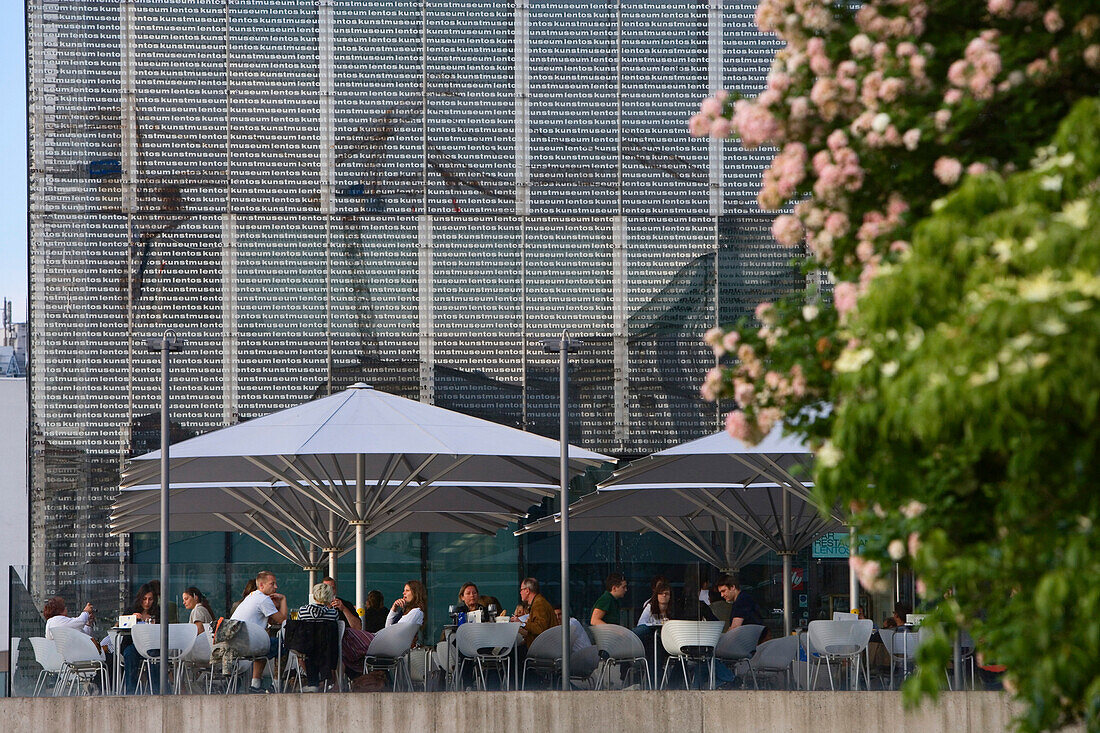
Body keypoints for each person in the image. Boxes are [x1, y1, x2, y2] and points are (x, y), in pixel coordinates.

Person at [230, 570, 288, 693]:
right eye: (272, 584)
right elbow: (282, 620)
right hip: (249, 644)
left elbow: (271, 621)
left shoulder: (251, 597)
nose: (276, 587)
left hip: (237, 643)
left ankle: (255, 685)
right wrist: (283, 600)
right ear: (261, 585)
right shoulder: (263, 599)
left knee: (264, 644)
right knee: (283, 644)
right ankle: (276, 685)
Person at [291, 582, 342, 691]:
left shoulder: (303, 610)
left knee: (304, 655)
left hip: (306, 649)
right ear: (329, 597)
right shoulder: (333, 613)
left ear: (314, 596)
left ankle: (312, 682)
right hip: (326, 652)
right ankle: (324, 681)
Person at [122, 585, 161, 694]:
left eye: (150, 599)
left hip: (152, 645)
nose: (147, 602)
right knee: (129, 653)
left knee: (154, 655)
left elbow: (163, 629)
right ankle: (131, 692)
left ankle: (156, 691)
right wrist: (131, 619)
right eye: (144, 599)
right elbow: (120, 625)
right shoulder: (131, 610)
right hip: (134, 644)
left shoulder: (158, 612)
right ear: (140, 599)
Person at [516, 577, 557, 647]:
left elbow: (540, 628)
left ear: (527, 591)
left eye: (521, 589)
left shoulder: (539, 604)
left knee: (513, 653)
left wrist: (522, 623)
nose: (520, 592)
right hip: (544, 645)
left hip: (543, 647)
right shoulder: (538, 602)